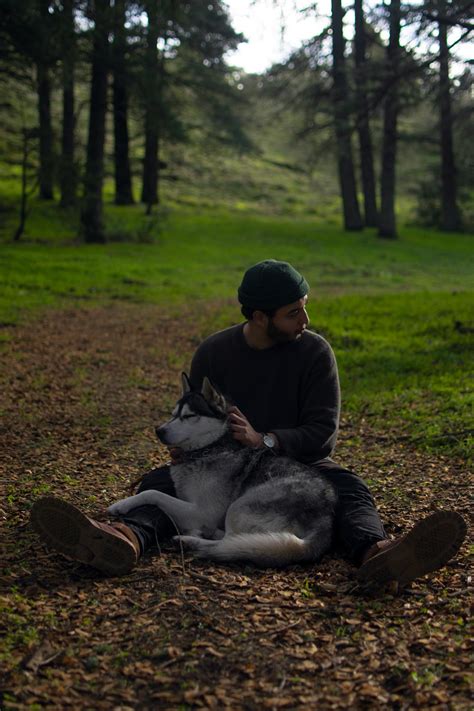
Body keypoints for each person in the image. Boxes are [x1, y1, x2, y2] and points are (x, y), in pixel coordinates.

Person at [31, 260, 467, 586]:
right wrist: (184, 447)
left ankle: (380, 552)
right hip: (219, 467)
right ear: (259, 317)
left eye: (304, 308)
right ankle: (121, 538)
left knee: (350, 489)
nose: (305, 321)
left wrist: (265, 440)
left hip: (297, 463)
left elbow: (322, 434)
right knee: (161, 482)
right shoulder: (214, 353)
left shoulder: (315, 353)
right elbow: (194, 413)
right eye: (293, 313)